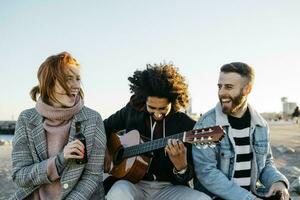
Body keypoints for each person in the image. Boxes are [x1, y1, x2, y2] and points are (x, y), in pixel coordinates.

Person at [104, 63, 211, 200]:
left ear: (173, 102)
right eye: (152, 107)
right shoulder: (132, 111)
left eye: (162, 109)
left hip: (168, 187)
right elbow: (103, 127)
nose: (157, 114)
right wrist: (107, 151)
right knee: (117, 195)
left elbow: (190, 175)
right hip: (132, 184)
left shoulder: (186, 125)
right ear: (144, 100)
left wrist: (181, 166)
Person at [11, 52, 106, 199]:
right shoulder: (26, 119)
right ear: (49, 83)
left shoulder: (93, 119)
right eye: (68, 79)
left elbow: (93, 176)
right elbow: (20, 176)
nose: (76, 86)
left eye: (78, 79)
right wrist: (59, 160)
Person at [192, 62, 290, 200]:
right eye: (220, 86)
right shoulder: (206, 124)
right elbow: (206, 172)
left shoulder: (260, 125)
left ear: (247, 89)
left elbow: (266, 163)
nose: (221, 93)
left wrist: (277, 182)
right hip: (216, 197)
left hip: (252, 194)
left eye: (229, 87)